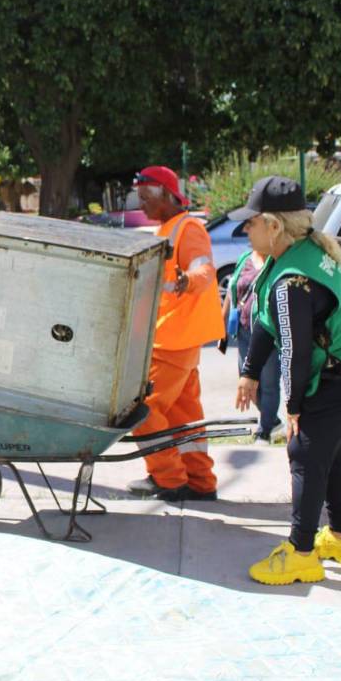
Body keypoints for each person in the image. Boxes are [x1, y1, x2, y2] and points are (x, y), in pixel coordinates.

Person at [231, 176, 341, 584]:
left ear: (274, 226)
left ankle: (301, 554)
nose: (245, 230)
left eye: (251, 223)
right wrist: (250, 373)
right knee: (330, 452)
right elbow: (267, 325)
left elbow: (297, 352)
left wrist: (293, 407)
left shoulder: (291, 283)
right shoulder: (294, 258)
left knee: (304, 451)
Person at [127, 166, 226, 502]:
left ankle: (169, 479)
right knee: (184, 416)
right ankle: (200, 481)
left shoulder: (188, 228)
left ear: (169, 195)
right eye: (139, 198)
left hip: (172, 340)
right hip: (177, 338)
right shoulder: (167, 230)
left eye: (146, 197)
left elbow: (204, 267)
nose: (141, 205)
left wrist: (190, 280)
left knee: (142, 409)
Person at [221, 247, 282, 443]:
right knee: (247, 383)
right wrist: (221, 328)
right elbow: (232, 293)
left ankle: (264, 431)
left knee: (269, 384)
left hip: (268, 334)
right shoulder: (245, 258)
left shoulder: (276, 260)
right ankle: (272, 419)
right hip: (244, 330)